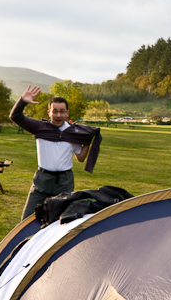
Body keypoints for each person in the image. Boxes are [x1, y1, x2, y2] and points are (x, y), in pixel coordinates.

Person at [10, 85, 102, 220]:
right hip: (42, 181)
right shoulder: (40, 127)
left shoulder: (74, 132)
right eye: (55, 111)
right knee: (28, 220)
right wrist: (23, 101)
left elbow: (81, 158)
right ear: (49, 112)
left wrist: (87, 140)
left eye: (62, 111)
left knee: (61, 221)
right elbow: (15, 116)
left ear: (67, 113)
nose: (58, 115)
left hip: (64, 182)